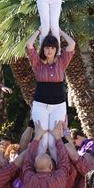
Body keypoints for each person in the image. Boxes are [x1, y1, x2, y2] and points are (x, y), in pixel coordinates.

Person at [25, 28, 75, 161]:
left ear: (56, 49)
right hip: (40, 104)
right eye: (47, 47)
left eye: (52, 47)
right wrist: (37, 32)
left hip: (58, 105)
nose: (49, 50)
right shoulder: (37, 63)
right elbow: (29, 45)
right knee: (42, 140)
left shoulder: (62, 61)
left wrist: (60, 32)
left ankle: (57, 170)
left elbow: (72, 44)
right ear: (43, 49)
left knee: (54, 141)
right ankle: (37, 169)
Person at [21, 120, 70, 188]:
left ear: (34, 167)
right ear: (51, 166)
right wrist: (57, 137)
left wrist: (37, 137)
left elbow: (27, 162)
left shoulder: (29, 178)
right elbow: (64, 161)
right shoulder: (59, 179)